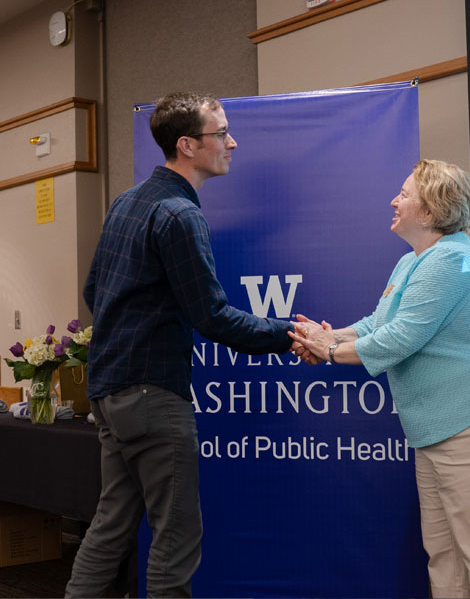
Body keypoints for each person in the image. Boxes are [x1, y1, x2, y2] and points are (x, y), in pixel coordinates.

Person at [65, 92, 297, 598]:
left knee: (111, 527)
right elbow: (212, 316)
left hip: (110, 392)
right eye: (222, 134)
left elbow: (93, 291)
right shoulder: (179, 215)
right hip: (151, 397)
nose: (232, 142)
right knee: (175, 536)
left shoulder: (127, 201)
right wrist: (293, 334)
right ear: (187, 145)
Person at [289, 159, 470, 599]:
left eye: (404, 194)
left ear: (429, 211)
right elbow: (375, 325)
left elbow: (398, 340)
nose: (393, 200)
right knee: (443, 560)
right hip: (437, 431)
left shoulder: (452, 260)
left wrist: (326, 350)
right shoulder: (413, 263)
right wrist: (322, 335)